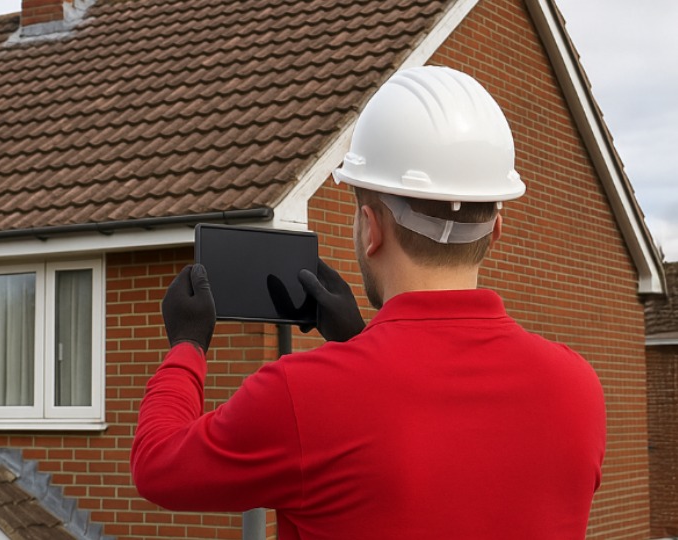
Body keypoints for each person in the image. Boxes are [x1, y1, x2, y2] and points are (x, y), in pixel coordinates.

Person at [131, 66, 606, 539]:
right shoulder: (579, 388)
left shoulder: (301, 395)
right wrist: (359, 341)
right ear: (495, 230)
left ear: (371, 228)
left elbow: (158, 466)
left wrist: (187, 346)